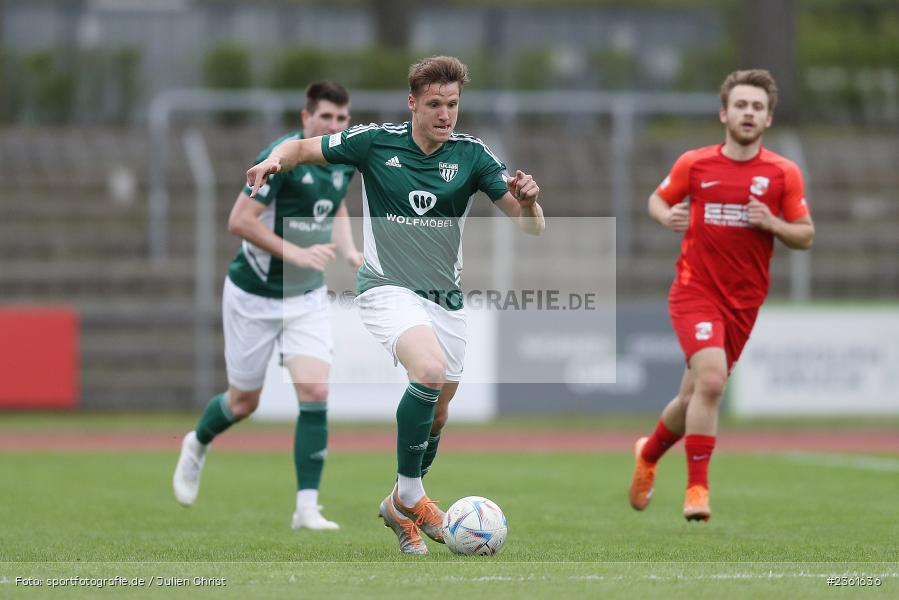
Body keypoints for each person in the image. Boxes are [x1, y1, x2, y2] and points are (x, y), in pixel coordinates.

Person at [246, 56, 545, 554]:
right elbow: (301, 147)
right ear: (412, 103)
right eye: (434, 104)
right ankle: (412, 496)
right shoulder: (374, 142)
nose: (446, 114)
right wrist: (275, 159)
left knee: (440, 412)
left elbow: (531, 226)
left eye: (453, 104)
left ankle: (395, 507)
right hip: (385, 287)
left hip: (444, 299)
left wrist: (530, 201)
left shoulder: (473, 156)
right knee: (427, 371)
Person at [173, 81, 363, 531]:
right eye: (326, 118)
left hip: (306, 296)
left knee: (315, 391)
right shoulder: (281, 157)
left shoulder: (342, 157)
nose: (334, 126)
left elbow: (333, 206)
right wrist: (295, 253)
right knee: (243, 403)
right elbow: (239, 221)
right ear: (306, 119)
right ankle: (197, 444)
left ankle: (306, 508)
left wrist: (350, 250)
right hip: (254, 294)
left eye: (341, 119)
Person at [628, 69, 815, 521]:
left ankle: (649, 454)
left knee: (695, 397)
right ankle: (697, 490)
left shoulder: (782, 173)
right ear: (724, 112)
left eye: (757, 107)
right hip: (695, 291)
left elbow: (805, 235)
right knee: (713, 382)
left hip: (744, 302)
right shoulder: (696, 163)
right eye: (741, 105)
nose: (748, 113)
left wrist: (772, 223)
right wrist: (665, 216)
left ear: (768, 119)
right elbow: (657, 199)